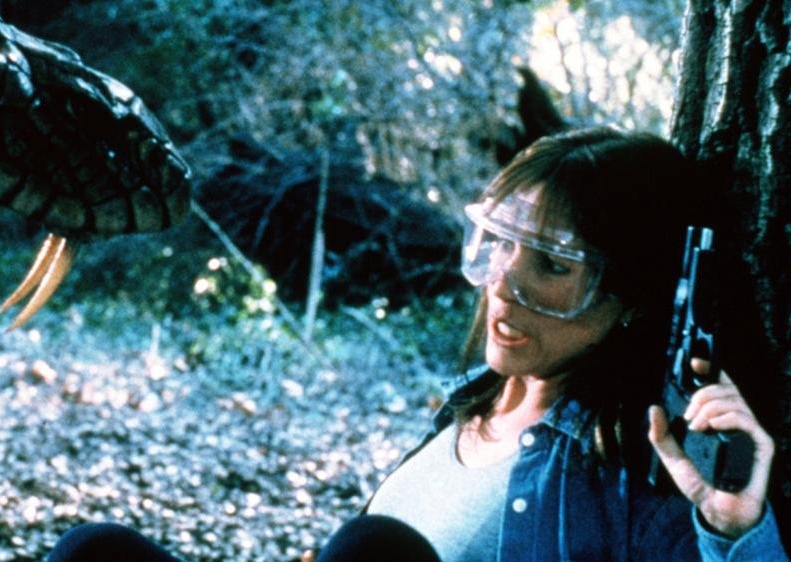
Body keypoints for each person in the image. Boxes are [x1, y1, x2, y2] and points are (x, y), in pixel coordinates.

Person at [47, 127, 787, 561]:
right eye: (498, 244)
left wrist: (736, 535)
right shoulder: (466, 407)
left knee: (375, 552)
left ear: (631, 299)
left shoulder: (634, 464)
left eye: (551, 267)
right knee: (97, 552)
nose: (503, 284)